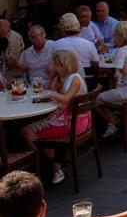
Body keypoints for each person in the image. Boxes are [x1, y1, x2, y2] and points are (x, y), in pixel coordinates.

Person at [21, 50, 90, 186]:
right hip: (74, 119)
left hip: (73, 123)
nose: (51, 64)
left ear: (62, 64)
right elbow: (60, 100)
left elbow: (64, 99)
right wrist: (52, 78)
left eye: (54, 63)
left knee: (27, 132)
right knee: (30, 129)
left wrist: (51, 92)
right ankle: (48, 165)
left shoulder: (74, 78)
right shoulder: (68, 77)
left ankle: (50, 167)